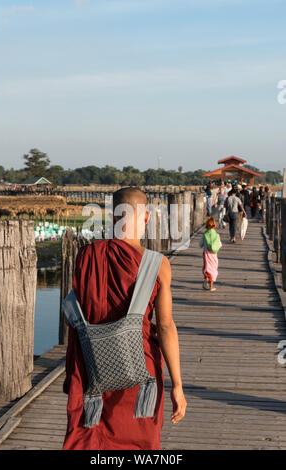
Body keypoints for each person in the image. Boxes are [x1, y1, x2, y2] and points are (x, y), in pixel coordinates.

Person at [62, 187, 186, 450]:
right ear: (147, 217)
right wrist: (177, 385)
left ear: (113, 217)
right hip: (140, 370)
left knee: (90, 440)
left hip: (91, 367)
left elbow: (76, 318)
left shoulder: (86, 256)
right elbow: (165, 326)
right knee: (139, 442)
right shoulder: (157, 264)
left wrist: (71, 370)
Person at [199, 216, 222, 292]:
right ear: (214, 225)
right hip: (213, 255)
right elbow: (220, 245)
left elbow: (200, 244)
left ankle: (206, 277)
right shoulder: (216, 235)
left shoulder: (205, 234)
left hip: (206, 254)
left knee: (207, 267)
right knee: (213, 268)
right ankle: (211, 286)